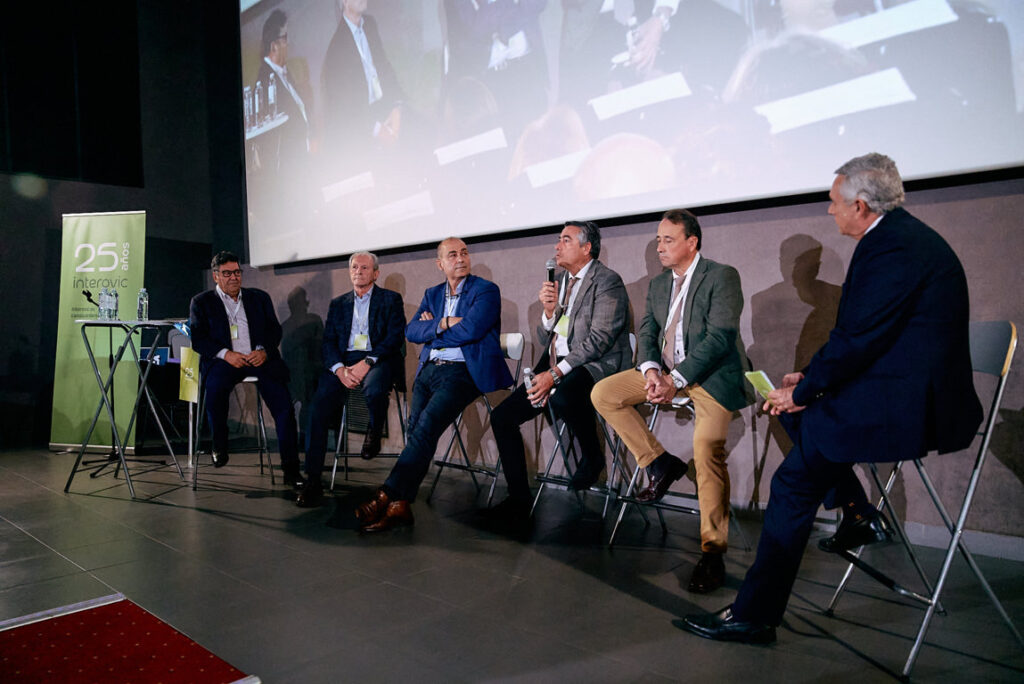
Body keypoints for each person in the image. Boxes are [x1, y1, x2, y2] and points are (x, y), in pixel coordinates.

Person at [677, 153, 983, 643]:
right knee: (793, 412)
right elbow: (863, 338)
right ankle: (858, 511)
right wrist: (811, 382)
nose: (828, 210)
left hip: (912, 405)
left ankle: (755, 615)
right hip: (893, 386)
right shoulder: (893, 238)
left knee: (792, 483)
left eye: (833, 202)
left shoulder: (892, 249)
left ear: (860, 205)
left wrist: (813, 387)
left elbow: (860, 340)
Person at [591, 209, 751, 593]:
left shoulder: (721, 276)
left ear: (691, 242)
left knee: (707, 448)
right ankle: (660, 463)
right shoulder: (660, 284)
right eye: (658, 239)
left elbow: (720, 338)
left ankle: (712, 552)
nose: (659, 246)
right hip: (664, 375)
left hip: (709, 376)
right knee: (604, 393)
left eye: (667, 240)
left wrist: (674, 380)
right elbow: (647, 331)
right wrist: (650, 373)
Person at [354, 238, 513, 532]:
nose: (461, 258)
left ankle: (385, 495)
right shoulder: (433, 293)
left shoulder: (486, 291)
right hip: (429, 371)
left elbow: (473, 329)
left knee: (425, 428)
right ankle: (400, 506)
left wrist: (434, 330)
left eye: (464, 252)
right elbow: (412, 331)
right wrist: (444, 322)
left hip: (464, 372)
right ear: (440, 264)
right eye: (452, 254)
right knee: (418, 433)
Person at [483, 220, 631, 524]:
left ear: (586, 248)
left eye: (565, 240)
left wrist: (556, 373)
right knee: (502, 417)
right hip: (555, 363)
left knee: (563, 395)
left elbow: (600, 340)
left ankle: (592, 456)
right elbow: (543, 337)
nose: (557, 246)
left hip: (593, 366)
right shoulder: (560, 282)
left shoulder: (607, 281)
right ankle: (518, 499)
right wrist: (548, 313)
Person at [296, 252, 405, 507]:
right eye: (354, 267)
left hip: (377, 357)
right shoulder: (339, 303)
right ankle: (312, 480)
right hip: (344, 362)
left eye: (364, 268)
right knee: (318, 408)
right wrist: (339, 370)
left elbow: (395, 337)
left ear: (375, 273)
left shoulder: (390, 299)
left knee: (375, 389)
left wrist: (368, 362)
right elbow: (329, 342)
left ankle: (374, 431)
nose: (358, 271)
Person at [188, 251, 304, 489]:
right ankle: (219, 444)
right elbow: (198, 339)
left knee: (284, 406)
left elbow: (274, 330)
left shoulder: (258, 298)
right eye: (227, 273)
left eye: (237, 272)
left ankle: (291, 470)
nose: (234, 278)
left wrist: (263, 350)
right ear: (216, 276)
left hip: (258, 359)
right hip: (225, 361)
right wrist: (226, 354)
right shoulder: (201, 302)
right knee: (215, 389)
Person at [321, 0, 403, 162]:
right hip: (360, 128)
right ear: (343, 2)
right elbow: (345, 109)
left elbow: (385, 67)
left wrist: (397, 106)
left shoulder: (370, 25)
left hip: (384, 109)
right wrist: (378, 130)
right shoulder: (336, 49)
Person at [254, 9, 310, 174]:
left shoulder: (285, 72)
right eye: (285, 38)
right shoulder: (264, 81)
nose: (289, 42)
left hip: (302, 161)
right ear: (274, 46)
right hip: (289, 170)